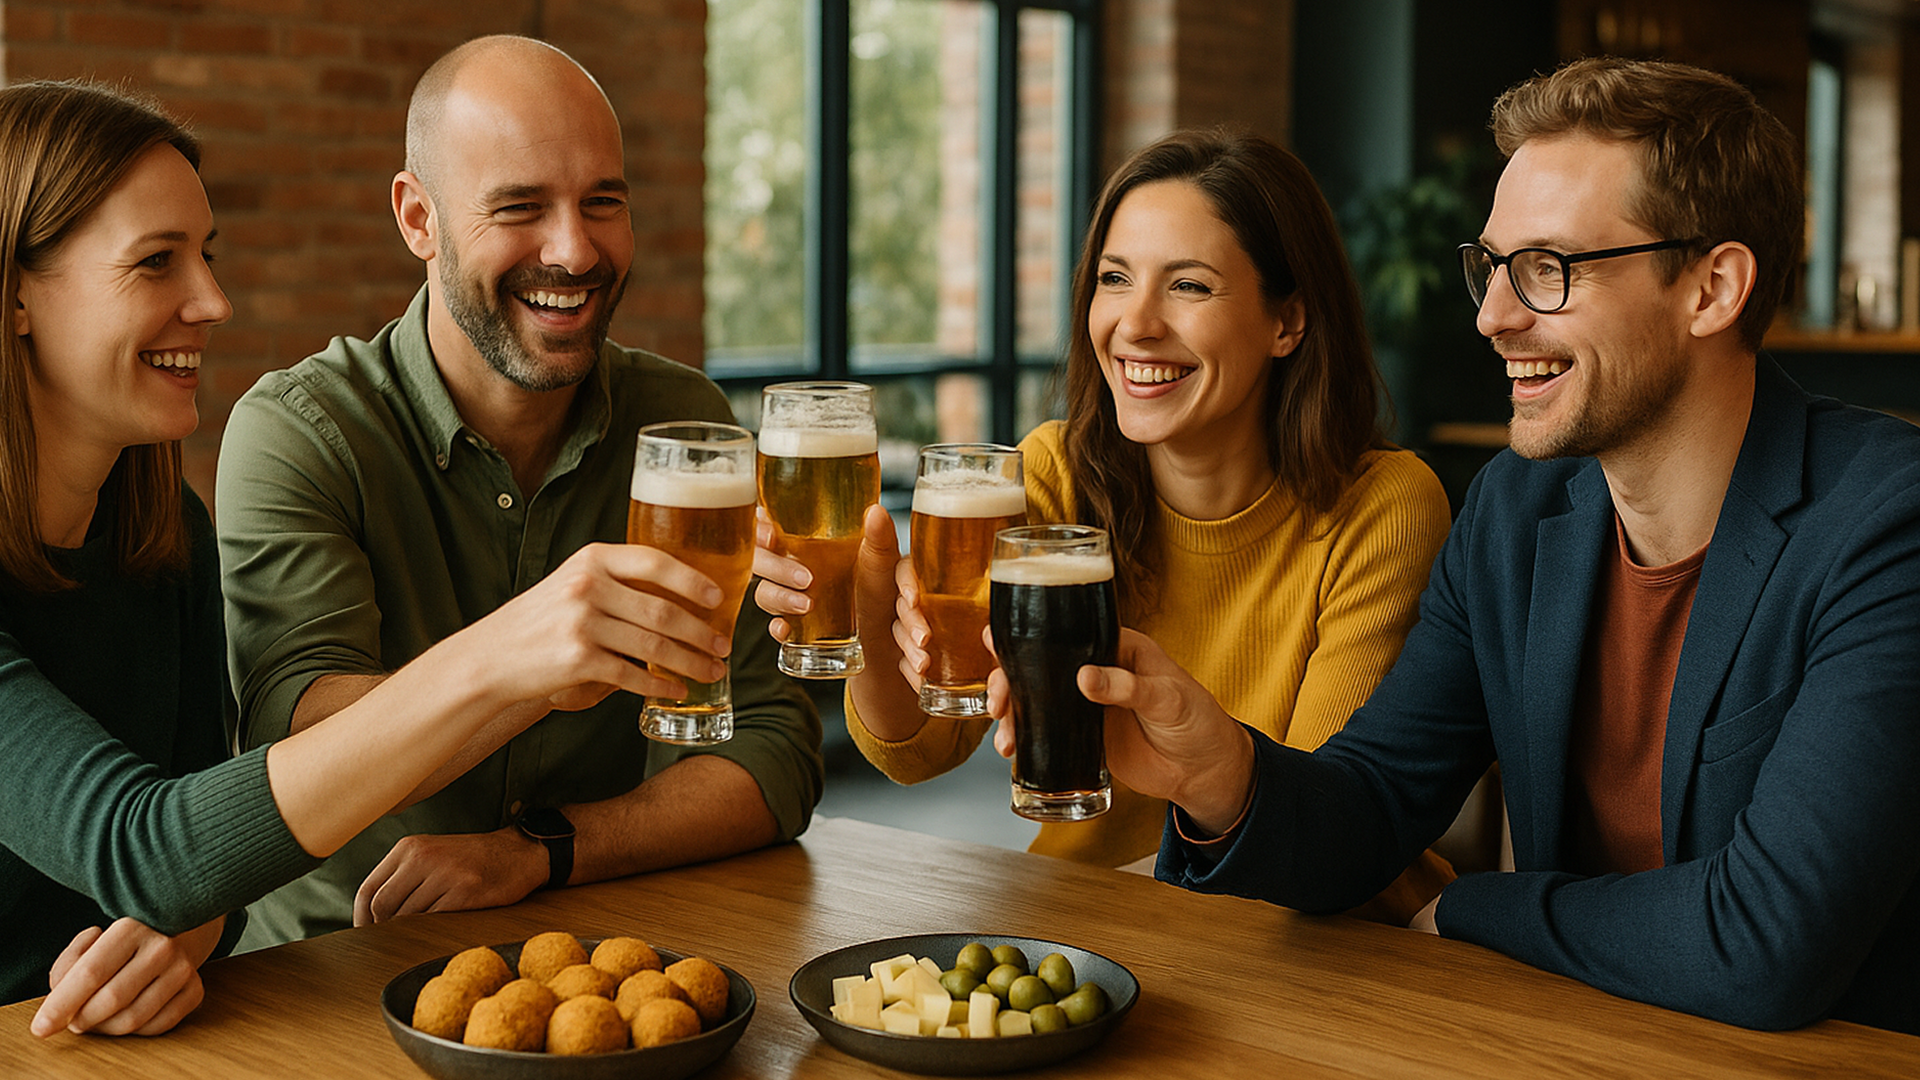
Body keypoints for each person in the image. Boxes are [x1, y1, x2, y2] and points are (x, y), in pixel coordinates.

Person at [1059, 58, 1920, 1034]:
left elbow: (1768, 939)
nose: (1493, 316)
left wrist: (1476, 908)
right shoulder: (1516, 509)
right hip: (1573, 1042)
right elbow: (1374, 804)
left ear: (1712, 288)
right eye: (1494, 265)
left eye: (1548, 269)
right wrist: (1218, 774)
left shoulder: (1888, 524)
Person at [0, 80, 709, 1037]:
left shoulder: (163, 530)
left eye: (206, 256)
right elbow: (151, 849)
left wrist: (182, 938)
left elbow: (207, 874)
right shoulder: (297, 436)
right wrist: (508, 655)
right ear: (17, 295)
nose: (212, 301)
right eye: (156, 261)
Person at [754, 130, 1454, 921]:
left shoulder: (1382, 507)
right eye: (1114, 279)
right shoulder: (1052, 472)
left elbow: (1317, 828)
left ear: (1287, 320)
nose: (1136, 323)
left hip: (1312, 941)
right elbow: (920, 747)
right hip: (1094, 923)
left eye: (1188, 286)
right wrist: (870, 619)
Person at [216, 35, 822, 947]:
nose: (574, 251)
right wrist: (526, 661)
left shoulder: (682, 424)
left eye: (603, 203)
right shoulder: (302, 431)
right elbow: (297, 743)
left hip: (588, 956)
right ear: (418, 219)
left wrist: (539, 850)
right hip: (333, 966)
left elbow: (770, 753)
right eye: (520, 207)